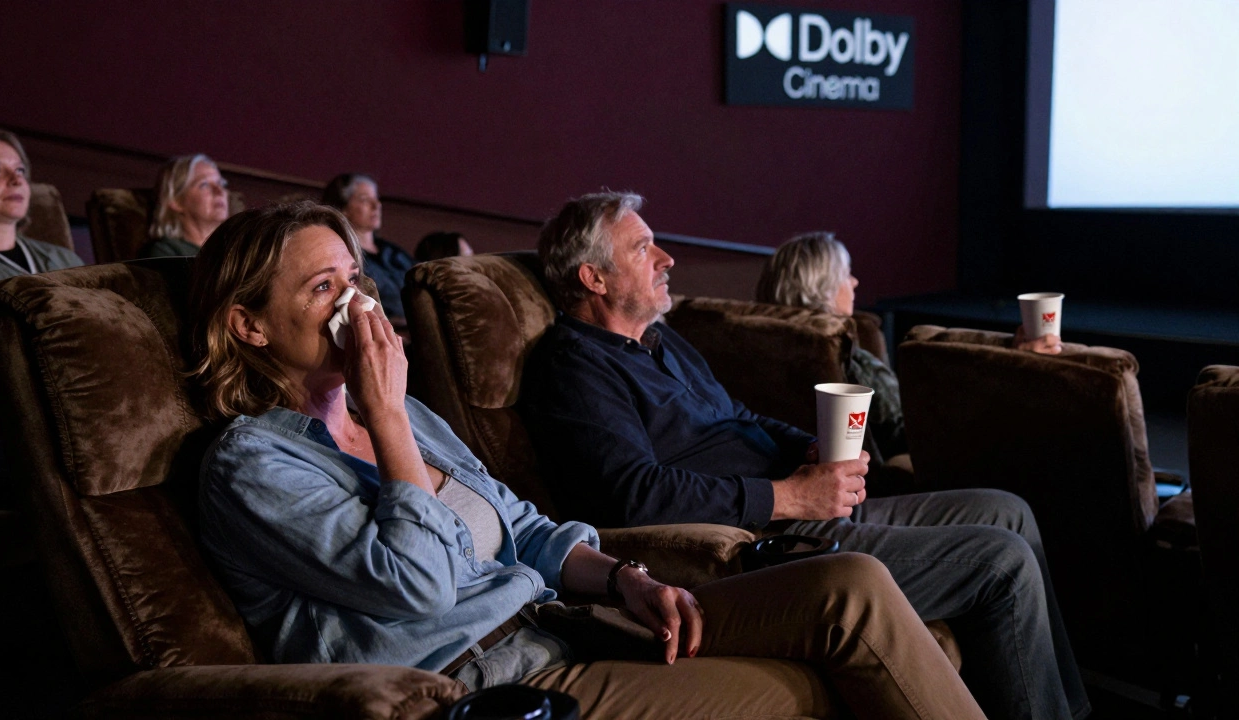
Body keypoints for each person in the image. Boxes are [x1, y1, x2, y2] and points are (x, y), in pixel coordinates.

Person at [188, 201, 986, 720]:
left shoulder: (409, 417)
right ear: (250, 327)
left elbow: (522, 526)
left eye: (357, 280)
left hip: (566, 622)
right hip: (489, 684)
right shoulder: (250, 465)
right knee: (813, 688)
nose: (357, 305)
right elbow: (418, 583)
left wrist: (623, 578)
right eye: (326, 288)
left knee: (850, 586)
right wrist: (388, 415)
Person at [520, 191, 1091, 720]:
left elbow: (737, 418)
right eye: (643, 248)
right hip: (769, 543)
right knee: (1003, 560)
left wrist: (809, 449)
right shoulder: (575, 367)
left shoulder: (660, 341)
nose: (666, 258)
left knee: (1008, 509)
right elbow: (635, 494)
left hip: (806, 505)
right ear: (593, 277)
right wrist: (789, 495)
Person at [756, 232, 1063, 461]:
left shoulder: (761, 342)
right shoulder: (837, 351)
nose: (855, 282)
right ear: (822, 286)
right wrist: (1012, 371)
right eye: (846, 273)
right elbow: (912, 430)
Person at [0, 124, 83, 501]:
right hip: (14, 419)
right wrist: (58, 384)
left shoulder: (63, 259)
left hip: (91, 404)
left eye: (21, 170)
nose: (15, 178)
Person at [321, 174, 413, 319]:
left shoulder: (393, 252)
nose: (377, 205)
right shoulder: (342, 256)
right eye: (364, 199)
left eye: (376, 198)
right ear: (343, 208)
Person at [138, 154, 230, 258]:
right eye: (204, 184)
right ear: (176, 200)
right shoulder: (165, 252)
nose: (219, 191)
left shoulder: (234, 249)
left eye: (221, 184)